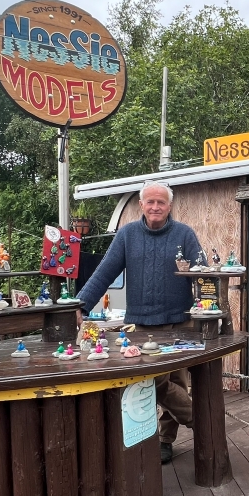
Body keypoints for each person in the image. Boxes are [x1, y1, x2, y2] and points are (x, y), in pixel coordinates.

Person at [76, 180, 202, 464]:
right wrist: (81, 304)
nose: (155, 207)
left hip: (180, 323)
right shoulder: (127, 234)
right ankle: (199, 420)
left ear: (169, 206)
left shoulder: (185, 234)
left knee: (177, 382)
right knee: (154, 382)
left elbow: (202, 273)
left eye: (161, 202)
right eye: (150, 202)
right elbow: (104, 272)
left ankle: (165, 440)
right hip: (142, 325)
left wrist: (209, 307)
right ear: (141, 205)